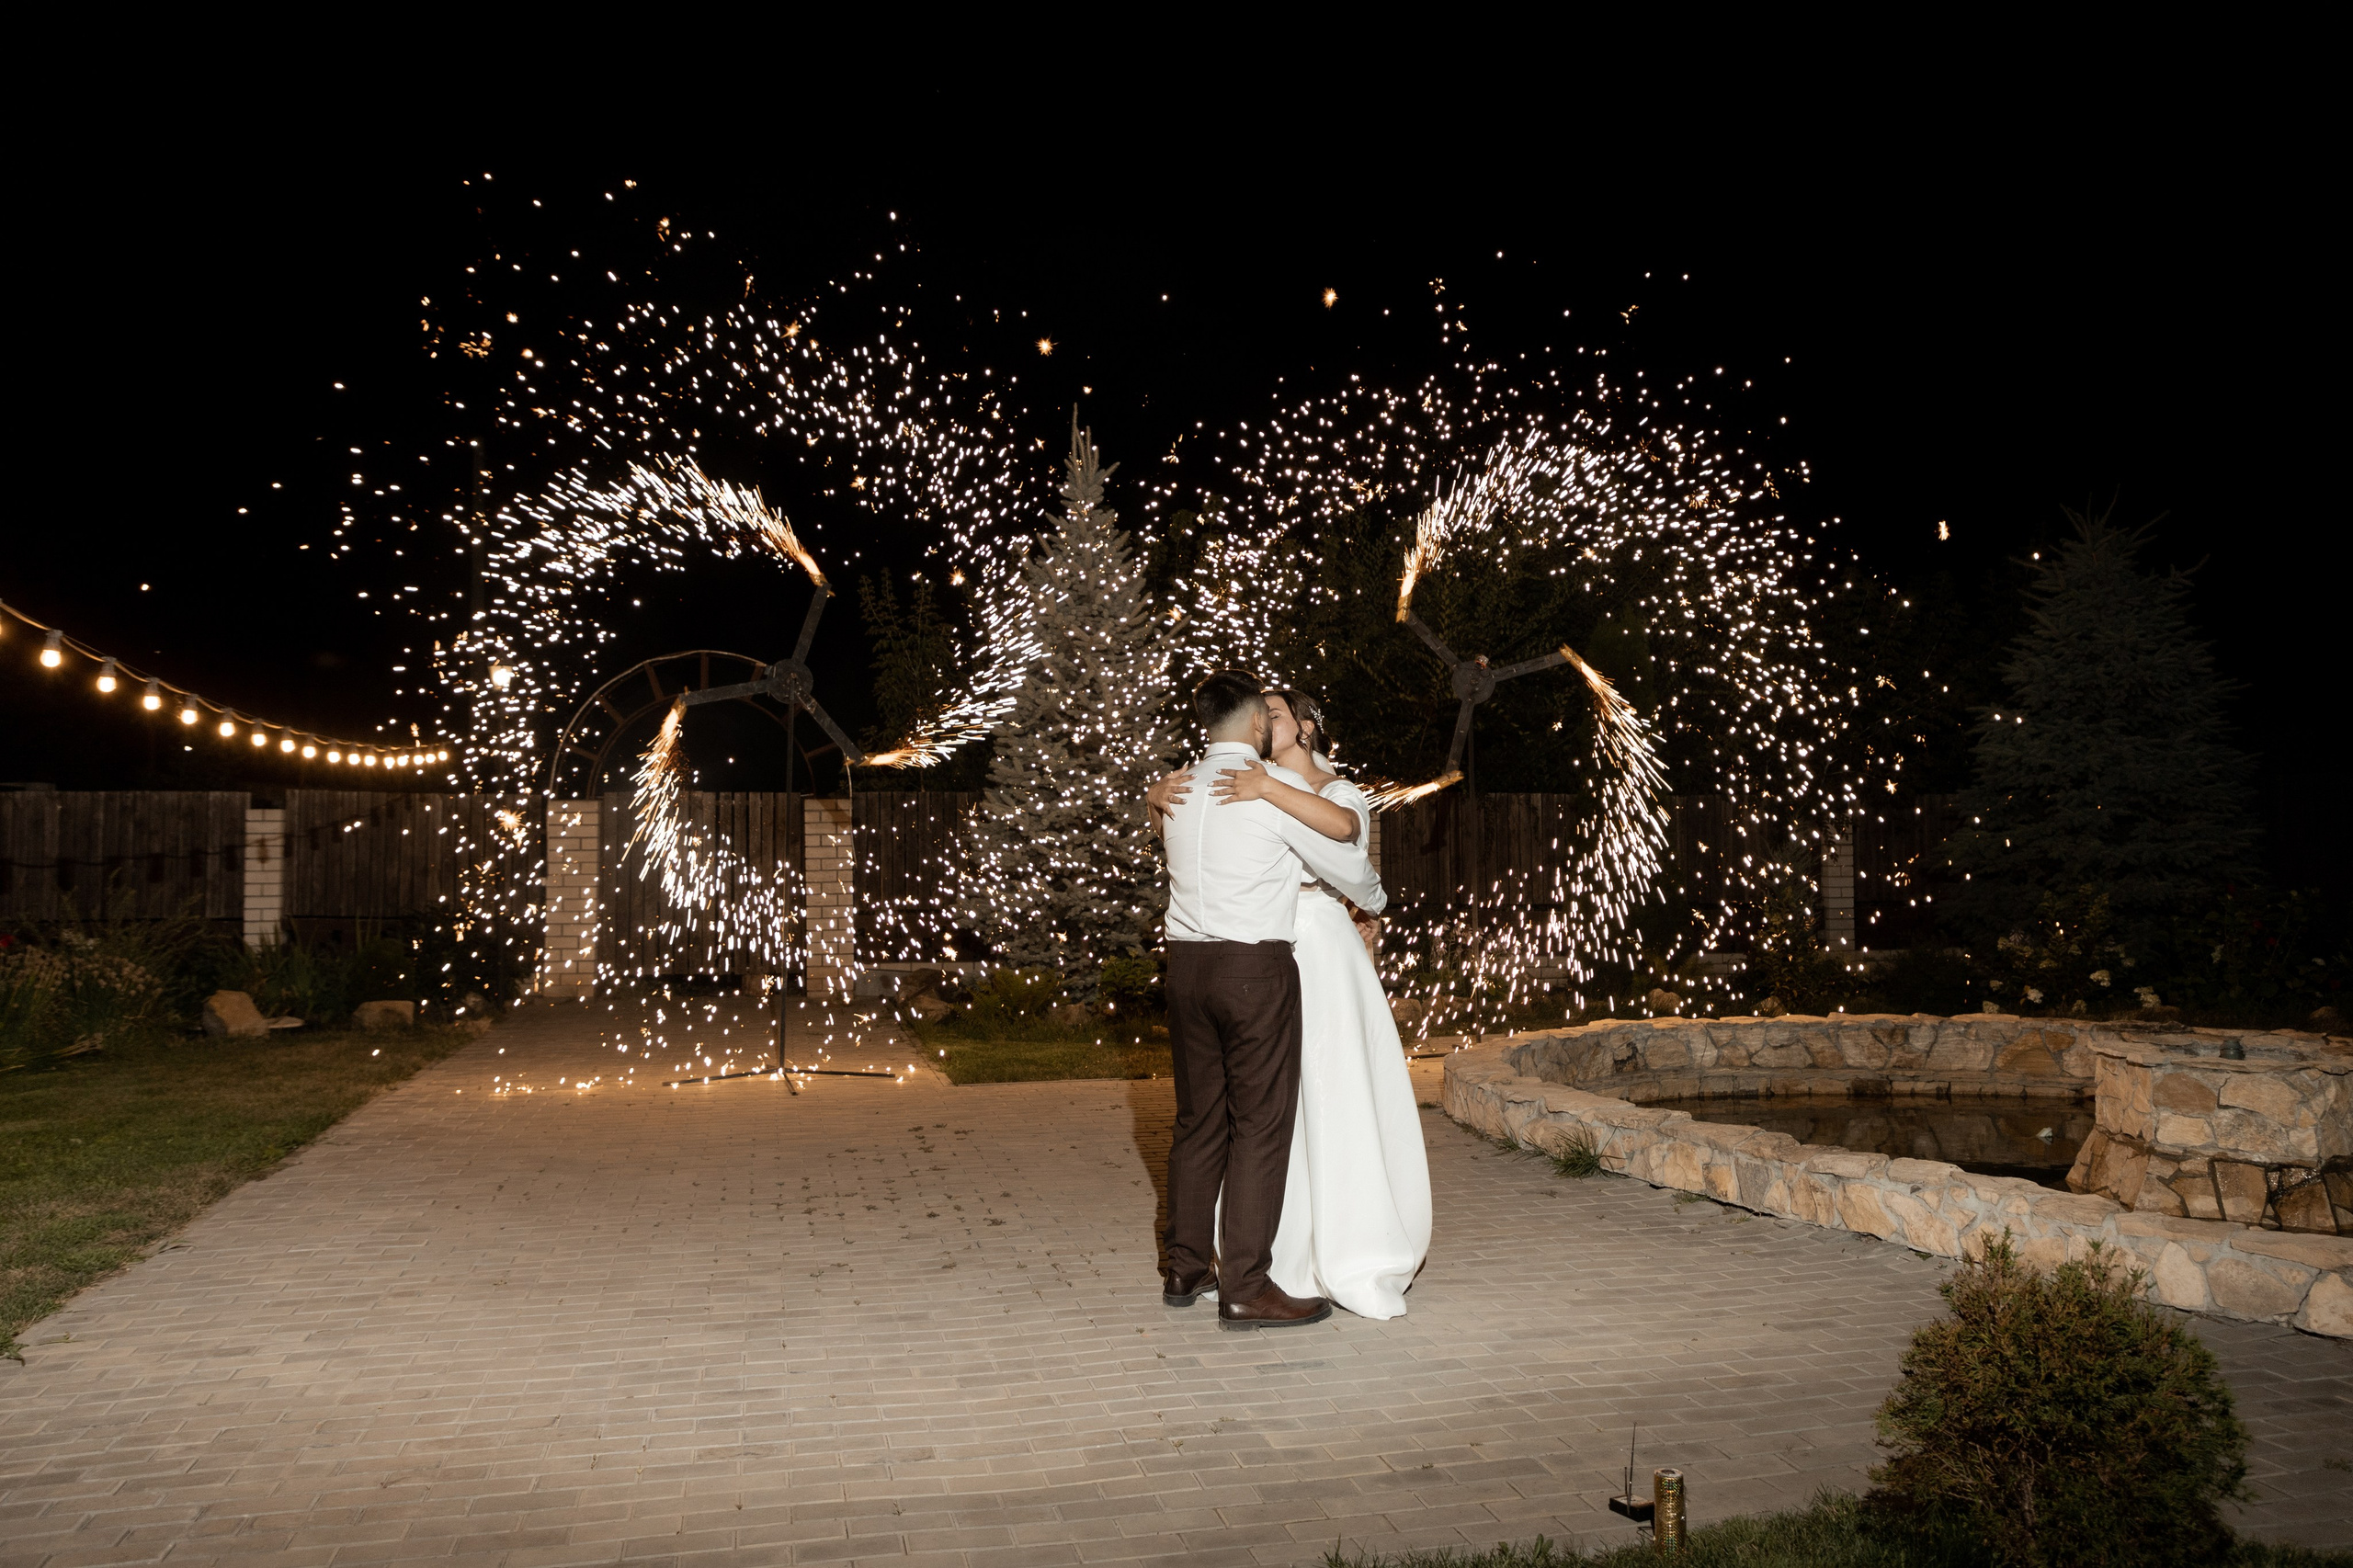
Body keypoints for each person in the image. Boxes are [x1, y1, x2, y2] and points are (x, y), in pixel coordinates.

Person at [1150, 689, 1431, 1319]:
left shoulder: (1184, 787)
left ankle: (1185, 1269)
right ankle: (1248, 1286)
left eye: (1283, 712)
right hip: (1254, 963)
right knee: (1260, 1124)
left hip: (1192, 964)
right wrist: (1372, 900)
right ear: (1252, 723)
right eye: (1265, 712)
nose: (1271, 721)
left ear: (1305, 727)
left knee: (1201, 1123)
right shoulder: (1263, 786)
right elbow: (1346, 845)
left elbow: (1346, 834)